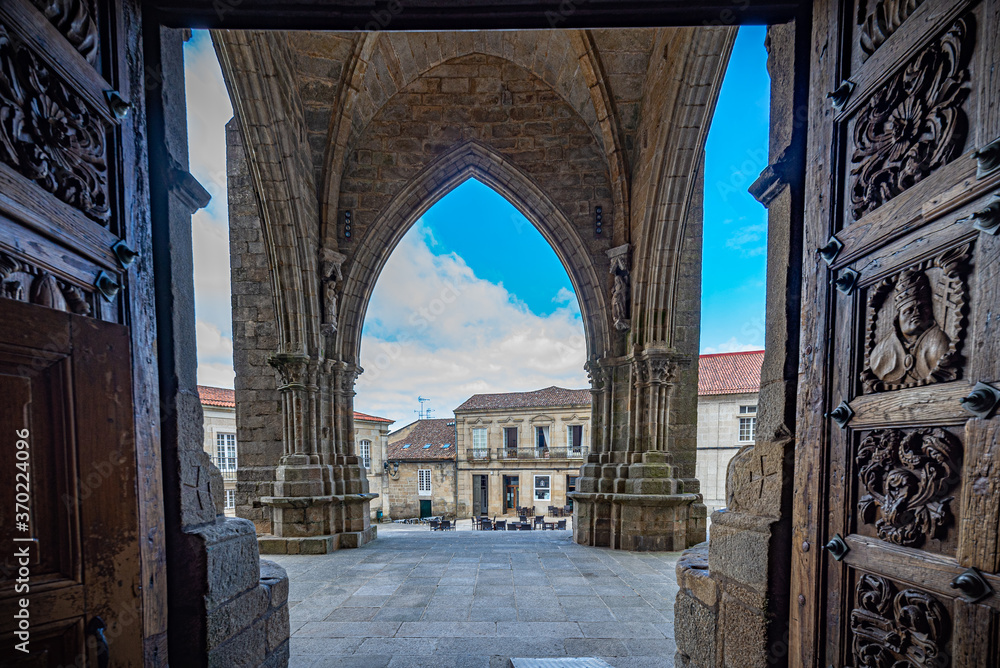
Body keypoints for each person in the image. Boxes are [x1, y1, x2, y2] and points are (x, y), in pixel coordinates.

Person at [870, 269, 950, 384]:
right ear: (898, 317)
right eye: (909, 310)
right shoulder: (881, 350)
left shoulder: (940, 342)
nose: (916, 313)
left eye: (922, 307)